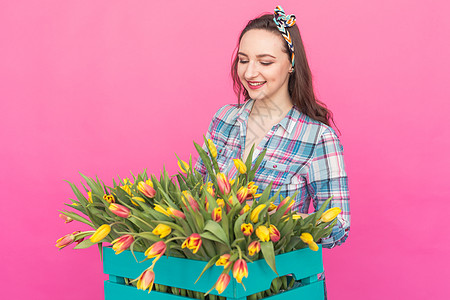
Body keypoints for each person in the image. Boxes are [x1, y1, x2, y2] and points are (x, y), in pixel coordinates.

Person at [194, 6, 350, 299]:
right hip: (218, 281)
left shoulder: (317, 137)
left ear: (291, 63)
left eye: (265, 62)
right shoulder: (224, 119)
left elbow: (339, 225)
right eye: (243, 60)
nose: (250, 73)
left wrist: (275, 222)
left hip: (281, 286)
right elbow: (197, 190)